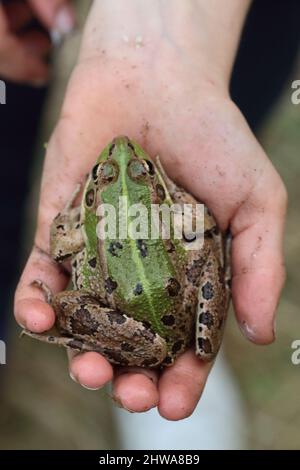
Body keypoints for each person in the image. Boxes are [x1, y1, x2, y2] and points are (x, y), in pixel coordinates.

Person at [2, 0, 295, 423]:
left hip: (132, 303)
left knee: (60, 302)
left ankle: (141, 383)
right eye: (106, 175)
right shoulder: (177, 210)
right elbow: (204, 227)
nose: (120, 150)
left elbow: (61, 246)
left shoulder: (77, 227)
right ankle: (173, 366)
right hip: (175, 311)